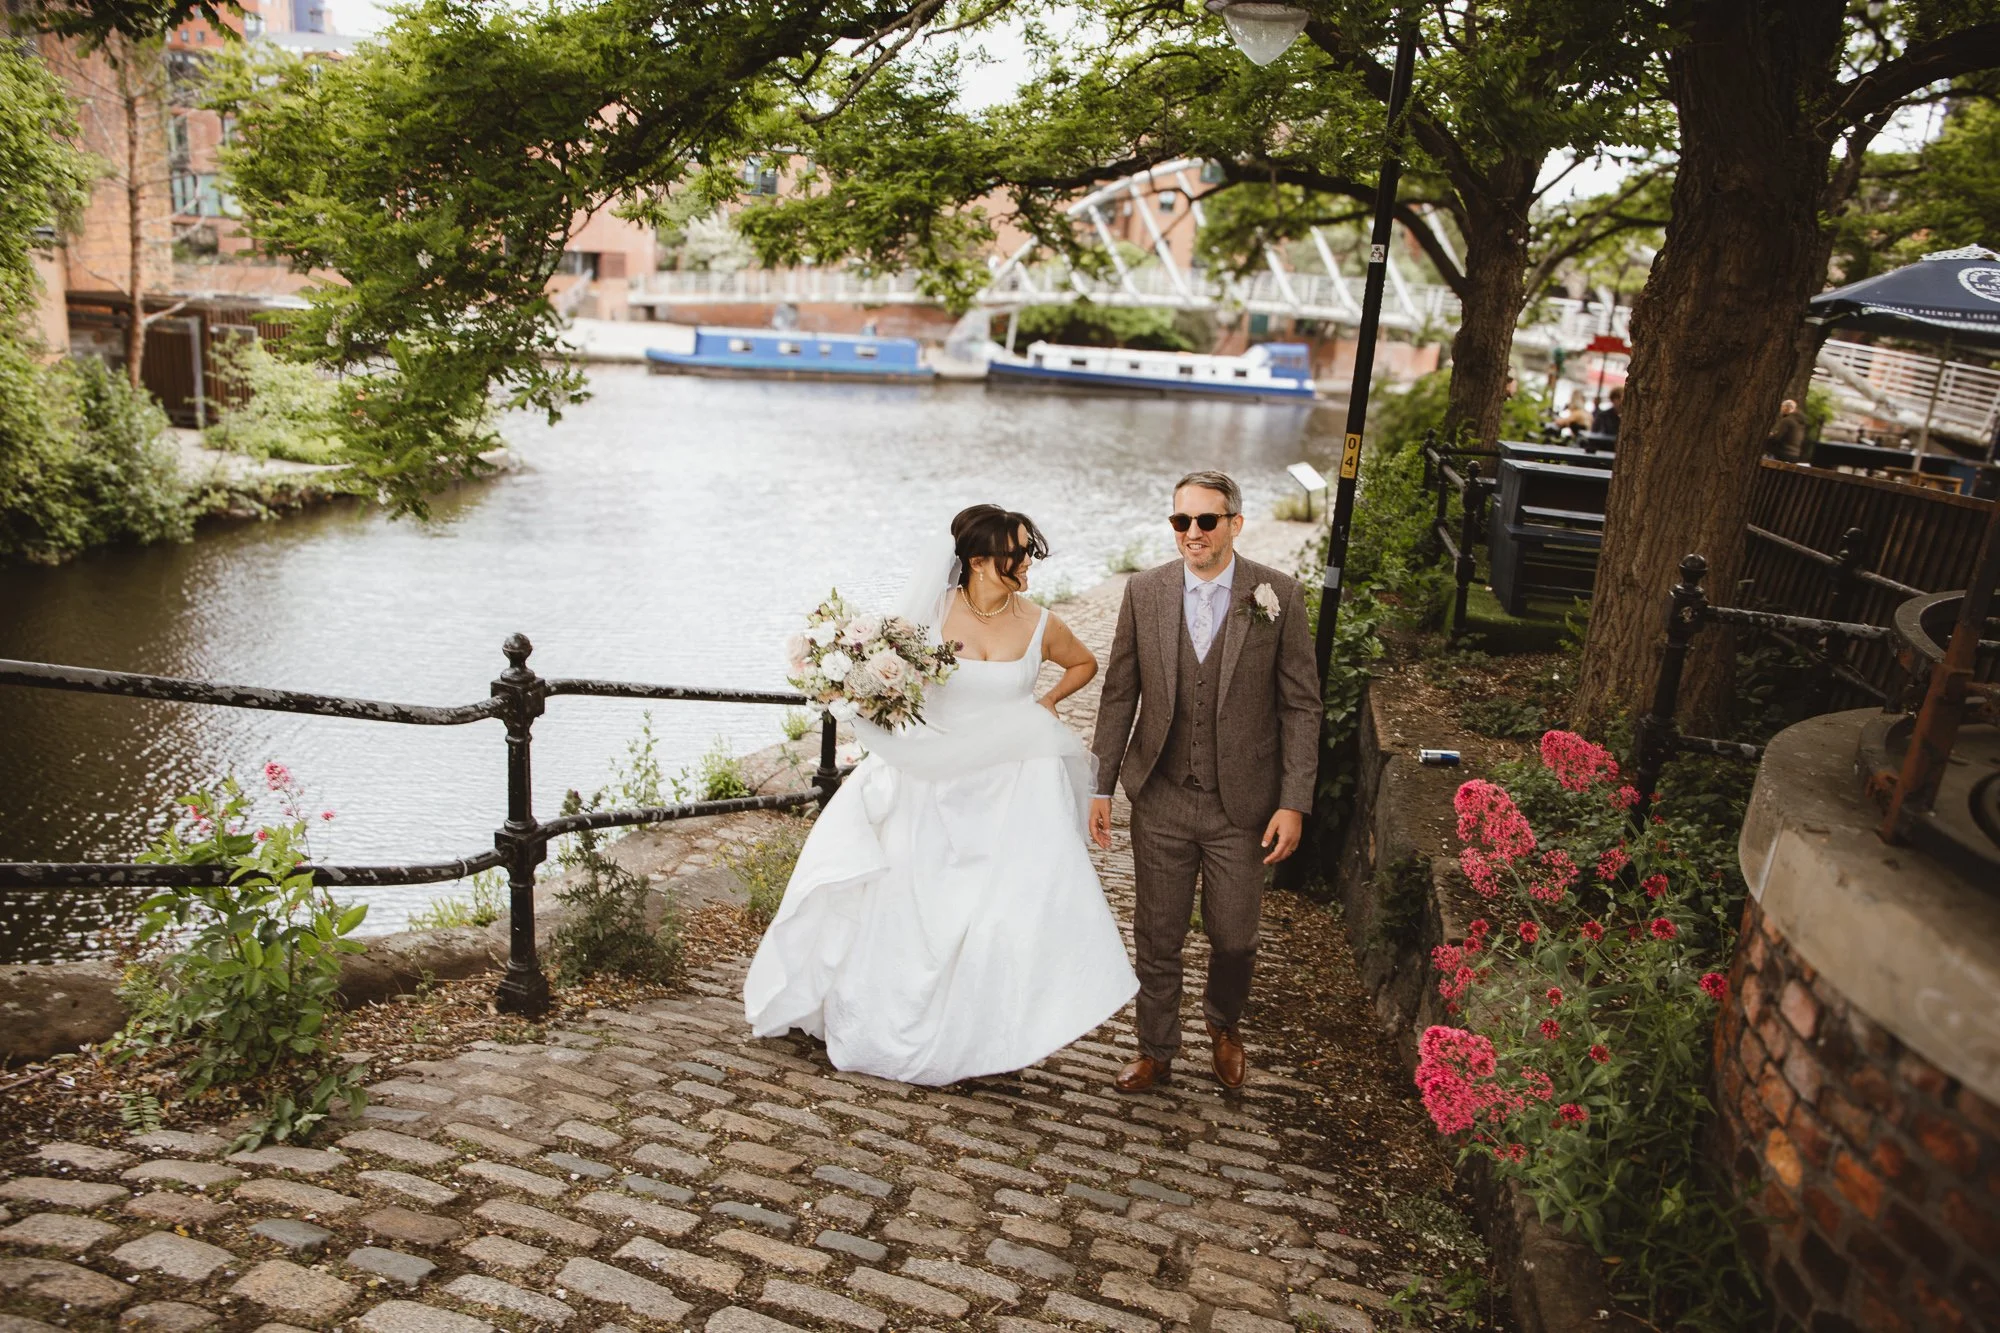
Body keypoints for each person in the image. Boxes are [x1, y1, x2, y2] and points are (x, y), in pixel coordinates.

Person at [743, 505, 1137, 1085]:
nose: (1029, 561)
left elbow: (1084, 662)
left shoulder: (1039, 622)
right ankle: (899, 1021)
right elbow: (887, 684)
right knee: (912, 909)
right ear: (977, 560)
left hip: (1011, 787)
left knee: (1000, 915)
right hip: (931, 782)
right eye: (1017, 551)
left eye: (1030, 548)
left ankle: (989, 1039)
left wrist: (1047, 702)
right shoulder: (923, 620)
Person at [1088, 471, 1320, 1092]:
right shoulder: (1145, 591)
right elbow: (1119, 693)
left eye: (1205, 521)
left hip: (1241, 806)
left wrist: (1294, 801)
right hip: (1160, 795)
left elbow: (1301, 706)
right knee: (1157, 935)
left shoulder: (1279, 595)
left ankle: (1224, 1026)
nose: (1191, 533)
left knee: (1236, 939)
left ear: (1234, 525)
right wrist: (1101, 785)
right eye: (1180, 521)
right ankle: (1156, 1050)